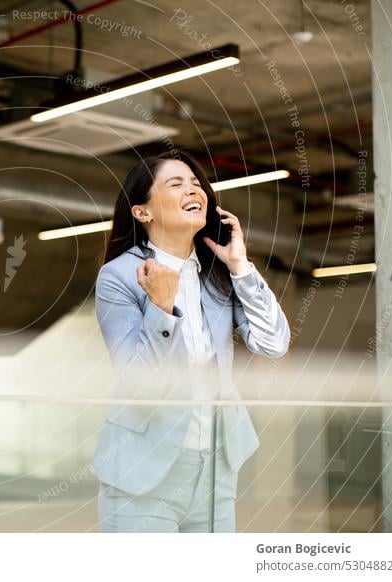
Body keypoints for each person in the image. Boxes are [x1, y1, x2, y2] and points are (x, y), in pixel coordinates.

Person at [91, 150, 290, 532]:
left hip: (215, 465)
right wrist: (161, 308)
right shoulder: (119, 277)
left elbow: (273, 343)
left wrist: (240, 267)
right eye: (176, 184)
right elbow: (140, 383)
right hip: (141, 469)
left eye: (197, 184)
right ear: (142, 212)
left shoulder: (217, 274)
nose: (193, 190)